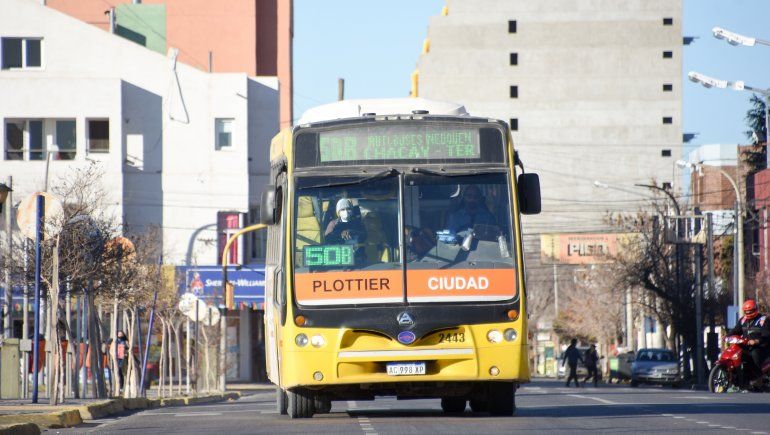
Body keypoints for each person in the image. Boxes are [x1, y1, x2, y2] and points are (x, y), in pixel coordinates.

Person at [728, 299, 770, 382]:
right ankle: (736, 377)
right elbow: (735, 330)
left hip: (761, 347)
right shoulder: (743, 320)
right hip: (746, 346)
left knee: (754, 354)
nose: (748, 313)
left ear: (755, 309)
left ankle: (758, 377)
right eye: (746, 311)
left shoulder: (763, 320)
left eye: (750, 311)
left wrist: (757, 341)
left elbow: (766, 334)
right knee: (736, 354)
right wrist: (727, 336)